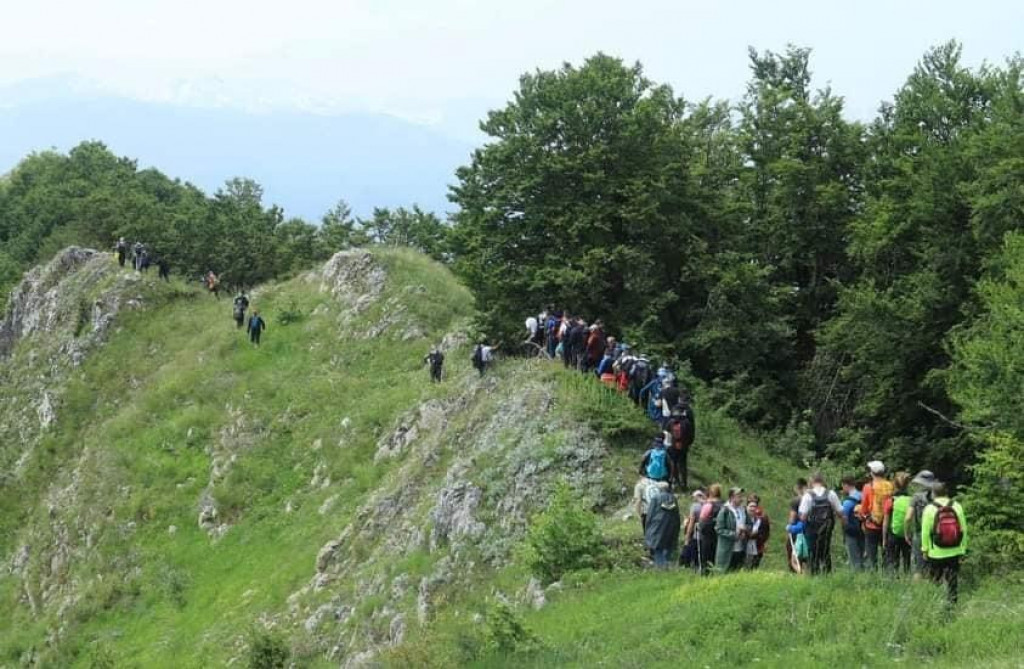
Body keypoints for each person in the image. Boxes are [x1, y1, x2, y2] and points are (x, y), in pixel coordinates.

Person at [920, 482, 968, 604]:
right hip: (955, 550)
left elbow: (925, 531)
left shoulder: (929, 508)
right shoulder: (957, 506)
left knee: (935, 579)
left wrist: (924, 549)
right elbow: (963, 529)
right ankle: (952, 603)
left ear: (933, 494)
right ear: (946, 492)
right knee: (953, 580)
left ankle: (936, 602)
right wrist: (963, 548)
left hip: (936, 552)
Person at [798, 473, 843, 575]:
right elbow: (840, 512)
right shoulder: (831, 494)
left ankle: (814, 574)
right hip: (827, 527)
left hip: (812, 529)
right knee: (826, 550)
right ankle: (827, 574)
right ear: (822, 481)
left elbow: (803, 517)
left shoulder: (808, 496)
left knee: (813, 551)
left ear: (811, 482)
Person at [860, 460, 894, 570]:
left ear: (872, 473)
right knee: (887, 554)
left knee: (871, 555)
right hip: (887, 524)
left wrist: (862, 517)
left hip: (872, 525)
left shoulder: (868, 487)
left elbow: (864, 508)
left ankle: (873, 577)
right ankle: (888, 577)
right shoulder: (890, 486)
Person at [905, 470, 938, 576]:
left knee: (918, 569)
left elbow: (908, 518)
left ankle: (918, 591)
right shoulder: (938, 497)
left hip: (919, 535)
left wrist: (907, 533)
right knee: (934, 567)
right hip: (935, 535)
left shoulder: (917, 497)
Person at [645, 481, 681, 568]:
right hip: (671, 526)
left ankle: (661, 567)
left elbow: (650, 514)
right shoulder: (673, 498)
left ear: (659, 489)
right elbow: (677, 514)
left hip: (657, 525)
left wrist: (647, 526)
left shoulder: (655, 498)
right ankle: (666, 563)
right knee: (668, 545)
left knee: (657, 546)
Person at [884, 471, 913, 575]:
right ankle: (907, 576)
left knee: (893, 558)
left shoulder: (890, 500)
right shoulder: (911, 500)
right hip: (908, 534)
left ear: (894, 485)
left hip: (893, 533)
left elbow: (886, 522)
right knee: (907, 559)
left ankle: (894, 578)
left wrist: (884, 538)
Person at [715, 487, 747, 573]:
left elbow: (749, 524)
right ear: (732, 497)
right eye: (739, 496)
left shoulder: (743, 510)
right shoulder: (725, 510)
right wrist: (734, 534)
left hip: (740, 548)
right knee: (724, 573)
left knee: (736, 574)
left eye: (742, 496)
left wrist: (745, 530)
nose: (741, 498)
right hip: (727, 549)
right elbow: (719, 529)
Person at [663, 402, 695, 490]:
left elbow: (666, 434)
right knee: (683, 465)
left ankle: (675, 481)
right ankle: (684, 484)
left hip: (672, 446)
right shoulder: (687, 422)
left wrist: (667, 446)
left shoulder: (670, 422)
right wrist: (688, 444)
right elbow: (691, 435)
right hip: (683, 447)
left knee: (673, 463)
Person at [697, 484, 724, 575]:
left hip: (707, 534)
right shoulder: (724, 504)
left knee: (706, 556)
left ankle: (705, 574)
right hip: (720, 534)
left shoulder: (708, 505)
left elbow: (702, 520)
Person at [840, 476, 865, 571]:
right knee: (864, 557)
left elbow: (843, 517)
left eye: (843, 486)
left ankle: (857, 579)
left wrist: (845, 530)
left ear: (846, 485)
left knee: (854, 559)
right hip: (864, 530)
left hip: (851, 533)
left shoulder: (847, 502)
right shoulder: (863, 495)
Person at [785, 478, 808, 573]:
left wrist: (789, 528)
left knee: (793, 554)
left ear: (797, 487)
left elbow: (792, 517)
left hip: (797, 532)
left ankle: (795, 574)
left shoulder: (796, 500)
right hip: (810, 531)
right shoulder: (812, 498)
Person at [680, 488, 706, 568]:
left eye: (694, 497)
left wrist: (687, 535)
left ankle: (689, 565)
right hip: (706, 533)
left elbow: (691, 522)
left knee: (692, 549)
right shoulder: (708, 504)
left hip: (696, 532)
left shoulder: (695, 506)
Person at [745, 496, 770, 570]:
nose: (752, 508)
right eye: (751, 506)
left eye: (754, 506)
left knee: (754, 565)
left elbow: (766, 532)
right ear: (747, 506)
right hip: (744, 545)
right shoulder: (743, 516)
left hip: (757, 545)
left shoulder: (762, 518)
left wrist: (761, 538)